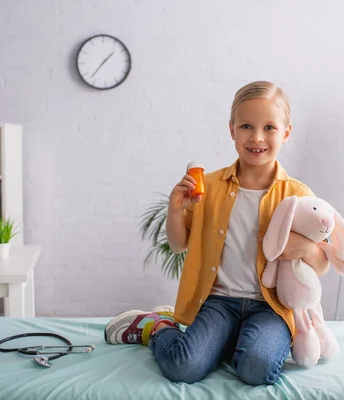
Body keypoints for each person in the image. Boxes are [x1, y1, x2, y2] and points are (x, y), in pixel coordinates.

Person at [104, 81, 330, 385]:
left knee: (256, 369)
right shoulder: (207, 187)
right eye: (247, 126)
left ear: (286, 132)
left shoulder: (299, 195)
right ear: (232, 129)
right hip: (219, 302)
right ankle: (157, 327)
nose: (257, 137)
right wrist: (175, 209)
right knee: (183, 367)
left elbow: (324, 264)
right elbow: (177, 244)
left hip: (271, 307)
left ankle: (235, 342)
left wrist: (302, 248)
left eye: (270, 128)